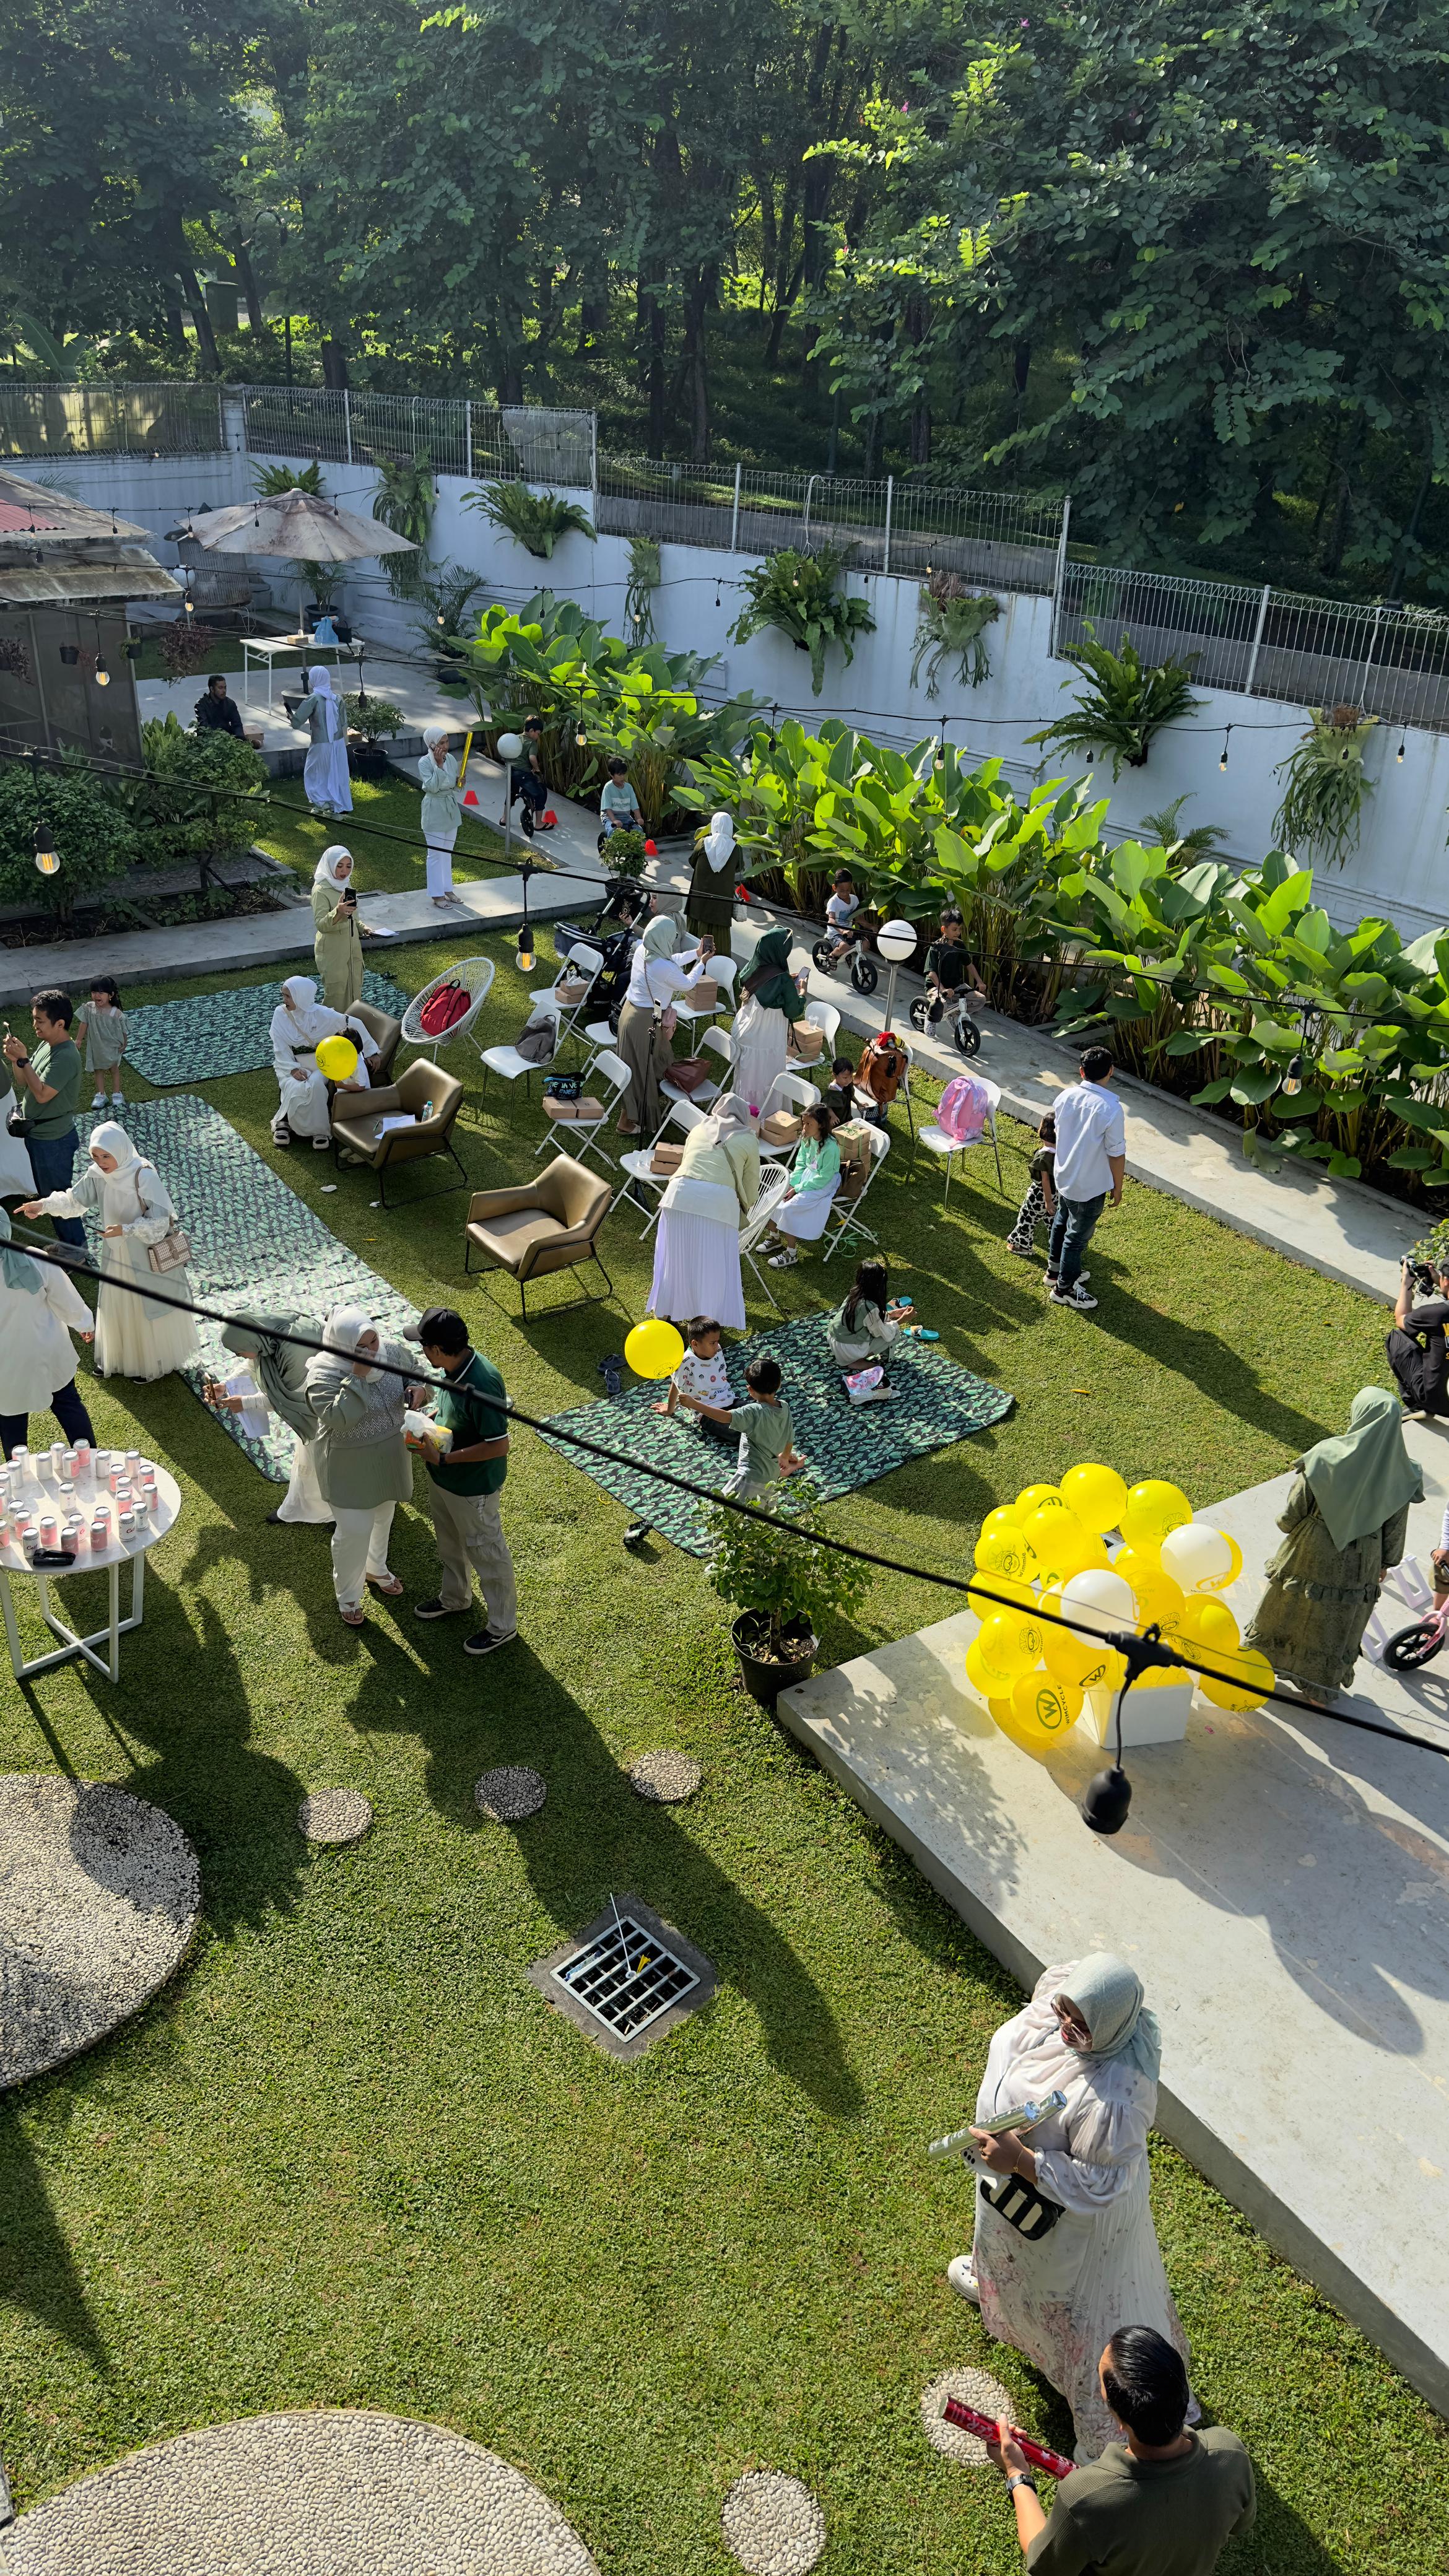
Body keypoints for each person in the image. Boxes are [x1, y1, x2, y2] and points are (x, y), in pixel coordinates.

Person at [949, 1955, 1190, 2465]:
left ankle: (1103, 2429)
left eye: (1081, 2025)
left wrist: (1022, 2161)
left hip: (1069, 2218)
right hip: (1010, 2185)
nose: (1065, 2028)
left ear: (1112, 2026)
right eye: (1064, 2012)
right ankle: (1000, 2293)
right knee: (1010, 2252)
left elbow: (1102, 2182)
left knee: (1076, 2305)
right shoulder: (1070, 1993)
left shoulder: (1116, 2099)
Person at [990, 2326, 1254, 2576]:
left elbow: (1045, 2565)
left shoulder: (1084, 2497)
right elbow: (1241, 2524)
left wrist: (1017, 2473)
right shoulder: (1230, 2452)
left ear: (1118, 2417)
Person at [1241, 1385, 1421, 1708]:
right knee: (1335, 1624)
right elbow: (1395, 1531)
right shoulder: (1404, 1474)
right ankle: (1319, 1691)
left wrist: (1289, 1528)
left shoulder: (1326, 1455)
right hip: (1362, 1561)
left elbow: (1294, 1510)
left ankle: (1257, 1667)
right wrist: (1384, 1564)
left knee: (1285, 1608)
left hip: (1311, 1548)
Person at [22, 1120, 198, 1382]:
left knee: (144, 1305)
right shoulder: (97, 1174)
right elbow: (74, 1201)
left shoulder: (144, 1175)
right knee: (116, 1304)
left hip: (145, 1255)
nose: (101, 1162)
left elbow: (160, 1223)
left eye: (106, 1156)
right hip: (115, 1254)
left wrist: (126, 1230)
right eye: (96, 1156)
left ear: (120, 1150)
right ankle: (118, 1358)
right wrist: (43, 1206)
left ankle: (152, 1362)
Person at [409, 1306, 518, 1656]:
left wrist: (443, 1459)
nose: (422, 1351)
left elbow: (498, 1445)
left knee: (488, 1554)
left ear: (438, 1349)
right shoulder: (452, 1367)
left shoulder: (482, 1383)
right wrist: (431, 1419)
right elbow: (453, 1411)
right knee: (450, 1544)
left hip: (472, 1489)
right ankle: (455, 1598)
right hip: (444, 1480)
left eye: (424, 1345)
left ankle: (503, 1626)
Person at [304, 1307, 414, 1626]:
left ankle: (376, 1568)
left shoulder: (391, 1352)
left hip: (389, 1455)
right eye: (359, 1347)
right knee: (354, 1530)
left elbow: (416, 1371)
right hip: (347, 1463)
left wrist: (420, 1388)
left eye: (373, 1342)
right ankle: (348, 1596)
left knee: (384, 1515)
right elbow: (340, 1418)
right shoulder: (321, 1376)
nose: (370, 1352)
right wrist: (358, 1376)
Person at [208, 1311, 329, 1527]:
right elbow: (255, 1362)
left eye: (238, 1351)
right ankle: (311, 1508)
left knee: (326, 1458)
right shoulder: (266, 1335)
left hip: (329, 1404)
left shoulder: (294, 1352)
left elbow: (290, 1398)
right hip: (319, 1404)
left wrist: (246, 1403)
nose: (238, 1355)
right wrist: (225, 1385)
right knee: (313, 1459)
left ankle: (338, 1511)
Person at [650, 1094, 760, 1330]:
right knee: (711, 1266)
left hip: (678, 1196)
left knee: (676, 1259)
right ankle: (706, 1322)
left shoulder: (699, 1129)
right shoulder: (749, 1140)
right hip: (718, 1205)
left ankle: (667, 1312)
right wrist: (744, 1204)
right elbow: (751, 1188)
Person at [0, 1207, 96, 1459]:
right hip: (49, 1350)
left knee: (11, 1419)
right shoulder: (35, 1258)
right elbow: (65, 1298)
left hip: (6, 1363)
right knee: (68, 1404)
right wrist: (85, 1324)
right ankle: (91, 1461)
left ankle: (16, 1475)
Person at [617, 912, 714, 1139]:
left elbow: (671, 960)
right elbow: (687, 984)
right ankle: (630, 1122)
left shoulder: (644, 950)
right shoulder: (661, 967)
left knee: (639, 1066)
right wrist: (702, 963)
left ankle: (636, 1112)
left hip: (630, 1014)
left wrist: (695, 953)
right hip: (643, 1022)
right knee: (641, 1072)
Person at [4, 988, 85, 1249]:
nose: (34, 1026)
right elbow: (24, 1082)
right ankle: (68, 1246)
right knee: (49, 1196)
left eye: (40, 1021)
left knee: (59, 1198)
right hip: (40, 1137)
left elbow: (41, 1094)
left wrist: (24, 1060)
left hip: (54, 1142)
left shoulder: (66, 1056)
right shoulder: (46, 1044)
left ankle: (76, 1250)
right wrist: (17, 1061)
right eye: (34, 1019)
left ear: (60, 1024)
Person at [1046, 1046, 1125, 1313]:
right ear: (1111, 1071)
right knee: (1076, 1238)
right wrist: (1118, 1186)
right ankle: (1064, 1289)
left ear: (1082, 1072)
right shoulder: (1111, 1109)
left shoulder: (1065, 1096)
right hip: (1090, 1186)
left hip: (1064, 1175)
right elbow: (1116, 1153)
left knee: (1061, 1223)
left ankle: (1054, 1272)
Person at [269, 977, 376, 1150]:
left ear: (301, 996)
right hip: (291, 1063)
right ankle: (285, 1122)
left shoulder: (323, 1014)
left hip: (322, 1062)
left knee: (316, 1085)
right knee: (293, 1085)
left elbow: (354, 1023)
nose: (284, 1000)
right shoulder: (280, 1014)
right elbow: (279, 1046)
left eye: (288, 996)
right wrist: (292, 1069)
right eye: (284, 995)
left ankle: (320, 1131)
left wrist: (372, 1052)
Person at [733, 928, 807, 1117]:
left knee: (748, 1077)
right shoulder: (783, 981)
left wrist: (787, 982)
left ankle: (742, 1111)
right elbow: (793, 1010)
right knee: (767, 1077)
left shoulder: (754, 966)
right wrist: (802, 993)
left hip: (746, 1031)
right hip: (767, 1038)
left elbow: (765, 985)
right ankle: (765, 1115)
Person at [765, 1100, 841, 1269]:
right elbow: (800, 1164)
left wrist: (798, 1189)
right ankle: (774, 1237)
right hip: (806, 1177)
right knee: (772, 1197)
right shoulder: (807, 1139)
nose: (804, 1127)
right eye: (804, 1123)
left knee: (788, 1209)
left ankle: (791, 1253)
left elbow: (824, 1177)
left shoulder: (831, 1148)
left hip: (823, 1183)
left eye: (809, 1124)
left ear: (821, 1125)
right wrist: (791, 1184)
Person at [724, 1352, 804, 1500]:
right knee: (761, 1511)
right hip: (770, 1479)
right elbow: (790, 1438)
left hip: (748, 1478)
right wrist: (785, 1456)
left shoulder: (753, 1411)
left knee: (722, 1509)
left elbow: (725, 1416)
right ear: (779, 1384)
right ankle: (794, 1466)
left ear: (750, 1390)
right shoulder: (784, 1407)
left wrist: (694, 1404)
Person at [653, 1316, 738, 1445]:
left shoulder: (718, 1349)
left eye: (717, 1342)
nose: (716, 1346)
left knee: (761, 1415)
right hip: (707, 1413)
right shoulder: (686, 1361)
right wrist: (670, 1410)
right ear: (695, 1344)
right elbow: (676, 1384)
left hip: (731, 1400)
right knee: (739, 1434)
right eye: (712, 1343)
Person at [311, 845, 375, 1010]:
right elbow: (321, 925)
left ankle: (351, 1025)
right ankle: (330, 1026)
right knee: (336, 995)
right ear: (330, 865)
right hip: (333, 951)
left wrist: (363, 928)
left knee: (355, 991)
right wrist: (337, 912)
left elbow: (353, 917)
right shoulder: (321, 891)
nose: (344, 871)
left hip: (352, 949)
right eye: (339, 866)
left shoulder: (346, 886)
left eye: (348, 866)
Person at [1386, 1255, 1449, 1418]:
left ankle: (1416, 1404)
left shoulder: (1437, 1314)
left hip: (1438, 1401)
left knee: (1397, 1337)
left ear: (1446, 1281)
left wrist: (1407, 1283)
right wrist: (1440, 1280)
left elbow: (1401, 1319)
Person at [827, 1258, 912, 1370]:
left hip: (835, 1340)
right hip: (848, 1350)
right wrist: (901, 1320)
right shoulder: (869, 1307)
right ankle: (856, 1361)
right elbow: (883, 1332)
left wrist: (892, 1314)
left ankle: (850, 1358)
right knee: (894, 1333)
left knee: (884, 1327)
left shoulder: (854, 1293)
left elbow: (865, 1318)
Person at [293, 664, 352, 817]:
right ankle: (336, 808)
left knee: (314, 773)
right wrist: (344, 744)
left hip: (321, 744)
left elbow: (297, 722)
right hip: (338, 744)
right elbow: (344, 724)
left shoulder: (313, 699)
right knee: (336, 775)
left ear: (313, 680)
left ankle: (322, 803)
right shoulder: (337, 699)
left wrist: (290, 717)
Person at [418, 724, 466, 909]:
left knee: (447, 852)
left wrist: (459, 782)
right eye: (441, 743)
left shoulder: (451, 759)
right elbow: (432, 787)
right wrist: (438, 765)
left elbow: (452, 785)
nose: (445, 746)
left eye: (447, 742)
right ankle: (436, 894)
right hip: (434, 810)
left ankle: (447, 889)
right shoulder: (424, 762)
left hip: (450, 809)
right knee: (435, 854)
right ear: (431, 744)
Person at [74, 976, 130, 1112]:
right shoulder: (89, 1008)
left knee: (113, 1069)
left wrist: (125, 1043)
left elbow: (123, 1030)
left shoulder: (115, 1013)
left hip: (112, 1046)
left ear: (111, 995)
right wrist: (79, 1039)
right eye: (94, 992)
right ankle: (101, 1095)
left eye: (101, 992)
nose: (96, 996)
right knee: (98, 1070)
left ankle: (117, 1094)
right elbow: (84, 1023)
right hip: (97, 1047)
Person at [1007, 1113, 1057, 1260]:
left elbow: (1045, 1180)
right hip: (1056, 1194)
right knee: (1053, 1222)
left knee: (1027, 1217)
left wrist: (1048, 1202)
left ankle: (1022, 1245)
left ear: (1044, 1131)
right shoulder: (1061, 1152)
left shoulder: (1045, 1156)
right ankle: (1057, 1248)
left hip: (1041, 1195)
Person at [923, 905, 986, 1021]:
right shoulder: (936, 948)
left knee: (981, 1000)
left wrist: (979, 981)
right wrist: (943, 990)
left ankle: (953, 1015)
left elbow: (969, 965)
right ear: (944, 929)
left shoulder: (959, 945)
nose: (958, 932)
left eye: (960, 929)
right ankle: (930, 1020)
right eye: (954, 929)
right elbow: (931, 973)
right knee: (942, 1004)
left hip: (955, 986)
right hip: (936, 987)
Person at [506, 713, 553, 833]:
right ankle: (539, 824)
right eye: (538, 734)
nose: (538, 737)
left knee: (511, 794)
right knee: (540, 793)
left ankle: (504, 818)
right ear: (532, 731)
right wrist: (536, 769)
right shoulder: (532, 743)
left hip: (511, 772)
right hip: (523, 773)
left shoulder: (516, 738)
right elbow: (532, 758)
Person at [819, 869, 861, 966]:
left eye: (848, 890)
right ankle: (832, 956)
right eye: (842, 891)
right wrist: (843, 931)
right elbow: (831, 920)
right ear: (835, 888)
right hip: (835, 933)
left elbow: (859, 918)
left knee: (866, 945)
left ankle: (846, 954)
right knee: (845, 947)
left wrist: (871, 927)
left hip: (849, 932)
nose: (845, 893)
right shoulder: (833, 902)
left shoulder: (854, 899)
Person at [599, 757, 643, 840]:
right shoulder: (608, 788)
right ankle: (610, 846)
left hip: (626, 817)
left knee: (639, 831)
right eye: (619, 775)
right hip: (610, 817)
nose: (622, 777)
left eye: (624, 774)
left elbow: (635, 806)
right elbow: (608, 808)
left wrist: (639, 818)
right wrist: (614, 820)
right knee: (614, 833)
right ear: (611, 775)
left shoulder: (629, 788)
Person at [194, 672, 245, 739]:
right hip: (207, 740)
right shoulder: (201, 705)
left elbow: (237, 725)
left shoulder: (230, 704)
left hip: (227, 739)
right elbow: (204, 727)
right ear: (212, 689)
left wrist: (241, 740)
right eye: (220, 688)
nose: (224, 691)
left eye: (225, 688)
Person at [822, 1056, 858, 1129]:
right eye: (845, 1078)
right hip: (836, 1121)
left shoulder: (846, 1084)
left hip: (846, 1117)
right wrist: (833, 1116)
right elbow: (826, 1105)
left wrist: (858, 1104)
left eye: (851, 1076)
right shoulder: (833, 1091)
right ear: (835, 1075)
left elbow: (850, 1095)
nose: (848, 1080)